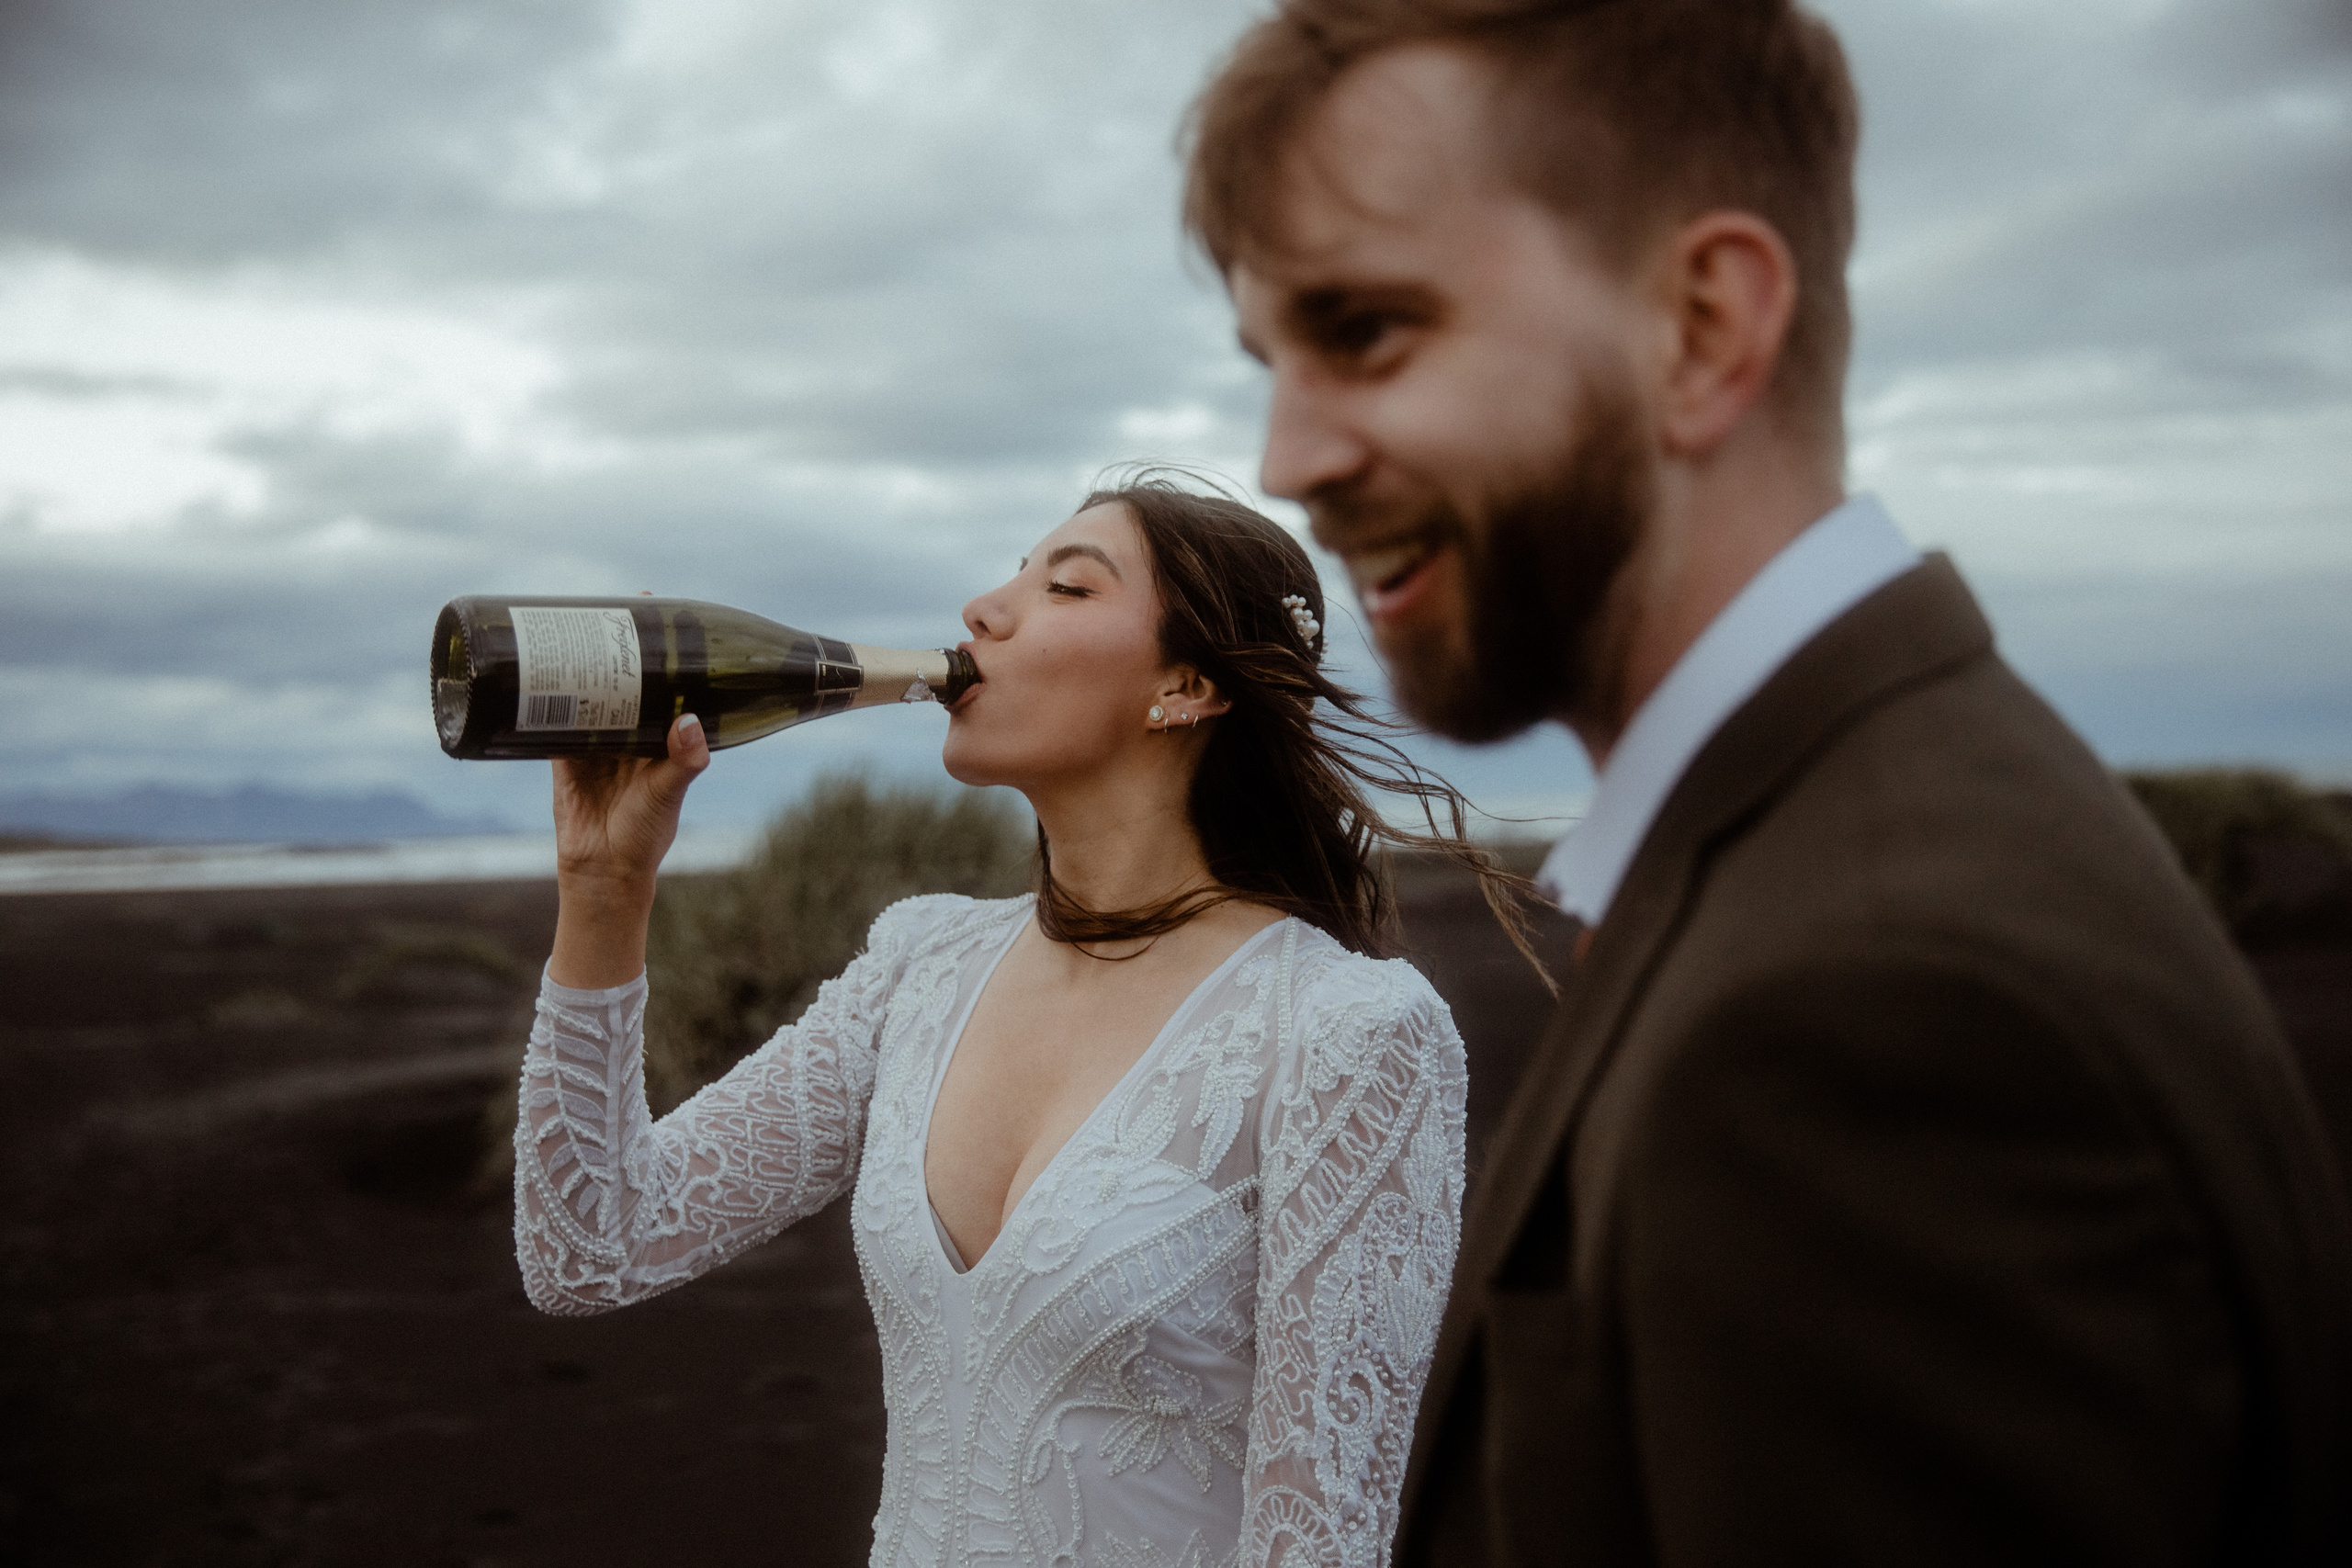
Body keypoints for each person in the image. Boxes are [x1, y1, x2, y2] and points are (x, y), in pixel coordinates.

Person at [1183, 1, 2352, 1563]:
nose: (1286, 457)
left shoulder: (1883, 1000)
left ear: (1705, 327)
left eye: (1367, 331)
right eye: (1272, 359)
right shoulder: (1867, 829)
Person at [513, 476, 1527, 1566]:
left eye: (1067, 586)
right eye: (1009, 576)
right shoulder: (921, 964)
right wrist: (603, 888)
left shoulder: (1349, 1032)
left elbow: (1321, 1543)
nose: (983, 612)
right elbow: (590, 1246)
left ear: (1184, 685)